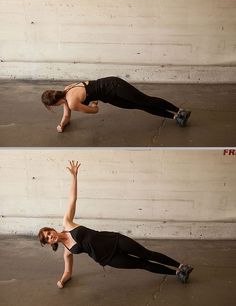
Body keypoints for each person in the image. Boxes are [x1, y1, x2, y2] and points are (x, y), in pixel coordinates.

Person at [38, 159, 193, 286]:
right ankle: (177, 273)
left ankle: (180, 265)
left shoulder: (67, 223)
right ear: (49, 243)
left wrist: (74, 177)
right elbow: (68, 272)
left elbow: (72, 199)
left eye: (49, 234)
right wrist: (62, 281)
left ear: (52, 229)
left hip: (114, 240)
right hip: (109, 259)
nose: (51, 237)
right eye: (48, 239)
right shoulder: (68, 252)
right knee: (142, 264)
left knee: (146, 254)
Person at [41, 75, 191, 133]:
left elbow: (95, 111)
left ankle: (179, 110)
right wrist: (62, 125)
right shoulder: (66, 91)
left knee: (145, 100)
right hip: (110, 96)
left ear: (55, 103)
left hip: (114, 86)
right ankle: (176, 118)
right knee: (139, 105)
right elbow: (66, 115)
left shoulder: (72, 102)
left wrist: (93, 103)